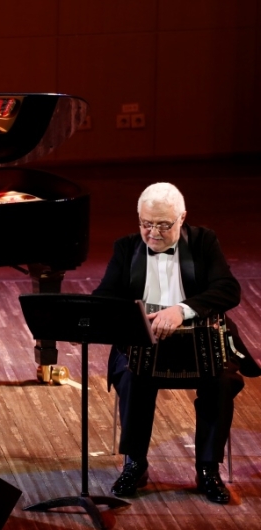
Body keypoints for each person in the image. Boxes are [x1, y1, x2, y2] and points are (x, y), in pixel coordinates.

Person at [92, 182, 248, 504]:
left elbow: (228, 289)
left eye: (163, 225)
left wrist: (181, 310)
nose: (154, 233)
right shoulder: (126, 248)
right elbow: (104, 298)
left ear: (182, 218)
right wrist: (133, 318)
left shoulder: (204, 242)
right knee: (132, 376)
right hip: (144, 343)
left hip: (198, 340)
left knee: (221, 381)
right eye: (146, 224)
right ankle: (135, 463)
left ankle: (207, 469)